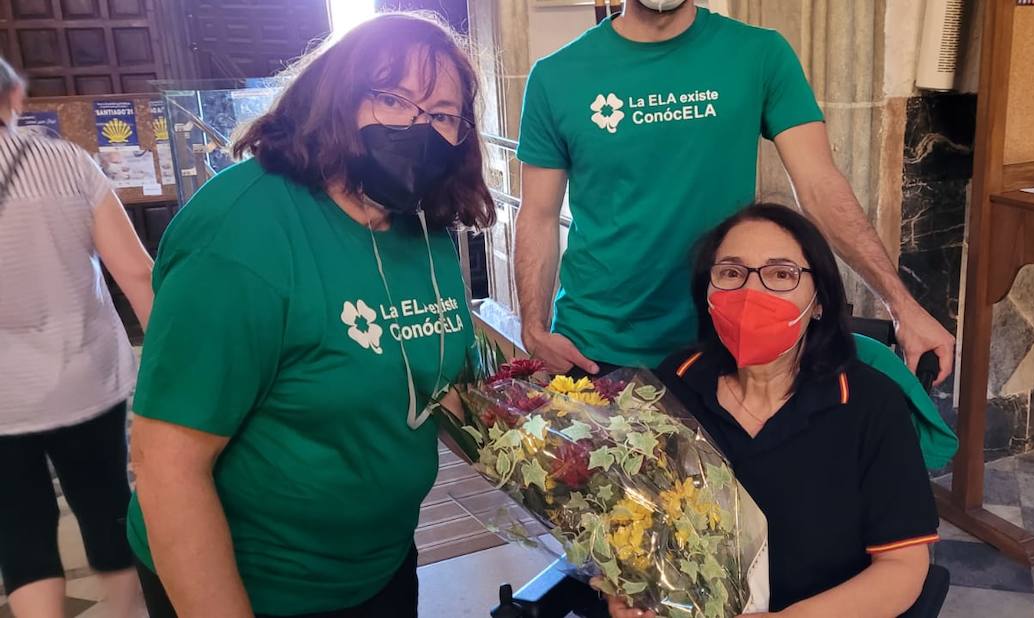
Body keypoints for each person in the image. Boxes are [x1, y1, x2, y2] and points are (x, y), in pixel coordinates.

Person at [126, 12, 492, 617]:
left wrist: (555, 456)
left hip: (380, 565)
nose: (416, 128)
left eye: (442, 115)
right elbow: (167, 467)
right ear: (336, 99)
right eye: (392, 99)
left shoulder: (421, 222)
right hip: (260, 586)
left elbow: (435, 378)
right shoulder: (243, 234)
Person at [514, 0, 955, 385]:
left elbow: (820, 186)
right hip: (597, 348)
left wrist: (903, 306)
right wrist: (532, 328)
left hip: (728, 340)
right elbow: (538, 214)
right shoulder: (556, 77)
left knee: (727, 484)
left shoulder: (759, 55)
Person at [599, 203, 938, 618]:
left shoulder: (869, 403)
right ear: (707, 295)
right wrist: (627, 588)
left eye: (781, 274)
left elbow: (904, 567)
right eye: (731, 273)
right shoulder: (671, 386)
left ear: (819, 302)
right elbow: (637, 523)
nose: (751, 292)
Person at [0, 57, 151, 618]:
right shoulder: (66, 162)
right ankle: (123, 611)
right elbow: (135, 272)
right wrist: (168, 364)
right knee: (105, 500)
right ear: (14, 96)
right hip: (85, 378)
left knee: (19, 527)